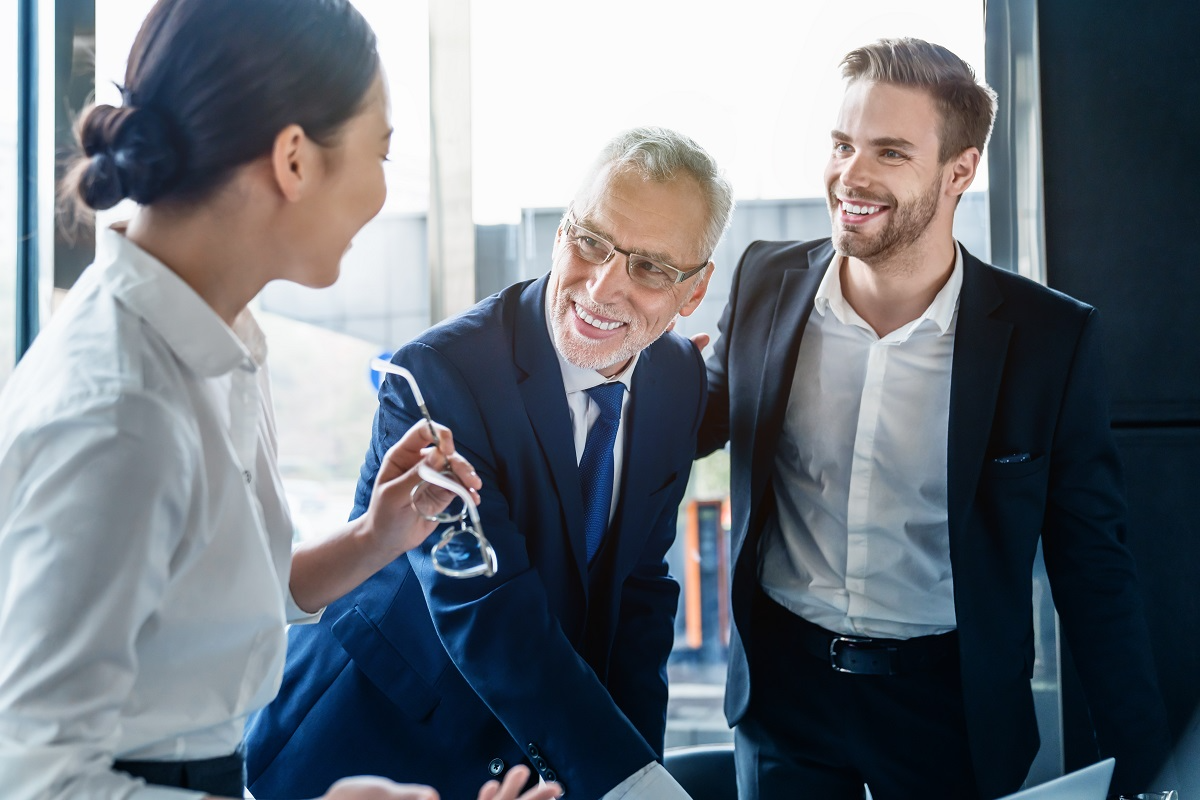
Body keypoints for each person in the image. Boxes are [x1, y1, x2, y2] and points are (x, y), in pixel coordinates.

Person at [0, 2, 560, 799]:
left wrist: (374, 536)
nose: (380, 191)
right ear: (295, 159)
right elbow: (38, 781)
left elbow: (208, 609)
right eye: (382, 151)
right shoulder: (120, 412)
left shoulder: (217, 334)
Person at [697, 37, 1174, 800]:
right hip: (786, 696)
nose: (850, 175)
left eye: (889, 152)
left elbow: (1094, 569)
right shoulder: (764, 281)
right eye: (843, 144)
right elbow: (690, 422)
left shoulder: (1049, 339)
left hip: (948, 708)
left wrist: (1151, 777)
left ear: (960, 171)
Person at [244, 126, 735, 800]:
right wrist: (629, 785)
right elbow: (487, 607)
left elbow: (639, 594)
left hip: (538, 768)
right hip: (376, 745)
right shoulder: (438, 378)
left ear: (694, 290)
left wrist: (638, 769)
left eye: (649, 268)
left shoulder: (676, 378)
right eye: (590, 242)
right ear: (562, 232)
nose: (602, 287)